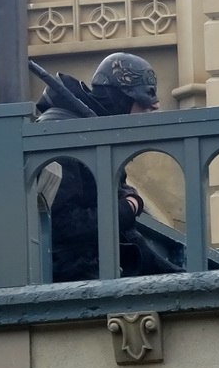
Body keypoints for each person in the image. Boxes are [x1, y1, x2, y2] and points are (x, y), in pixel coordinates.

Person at [35, 52, 161, 282]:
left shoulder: (95, 132)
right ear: (121, 100)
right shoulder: (64, 135)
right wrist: (126, 209)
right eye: (144, 104)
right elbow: (59, 223)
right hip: (70, 278)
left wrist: (128, 199)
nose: (154, 108)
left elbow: (115, 189)